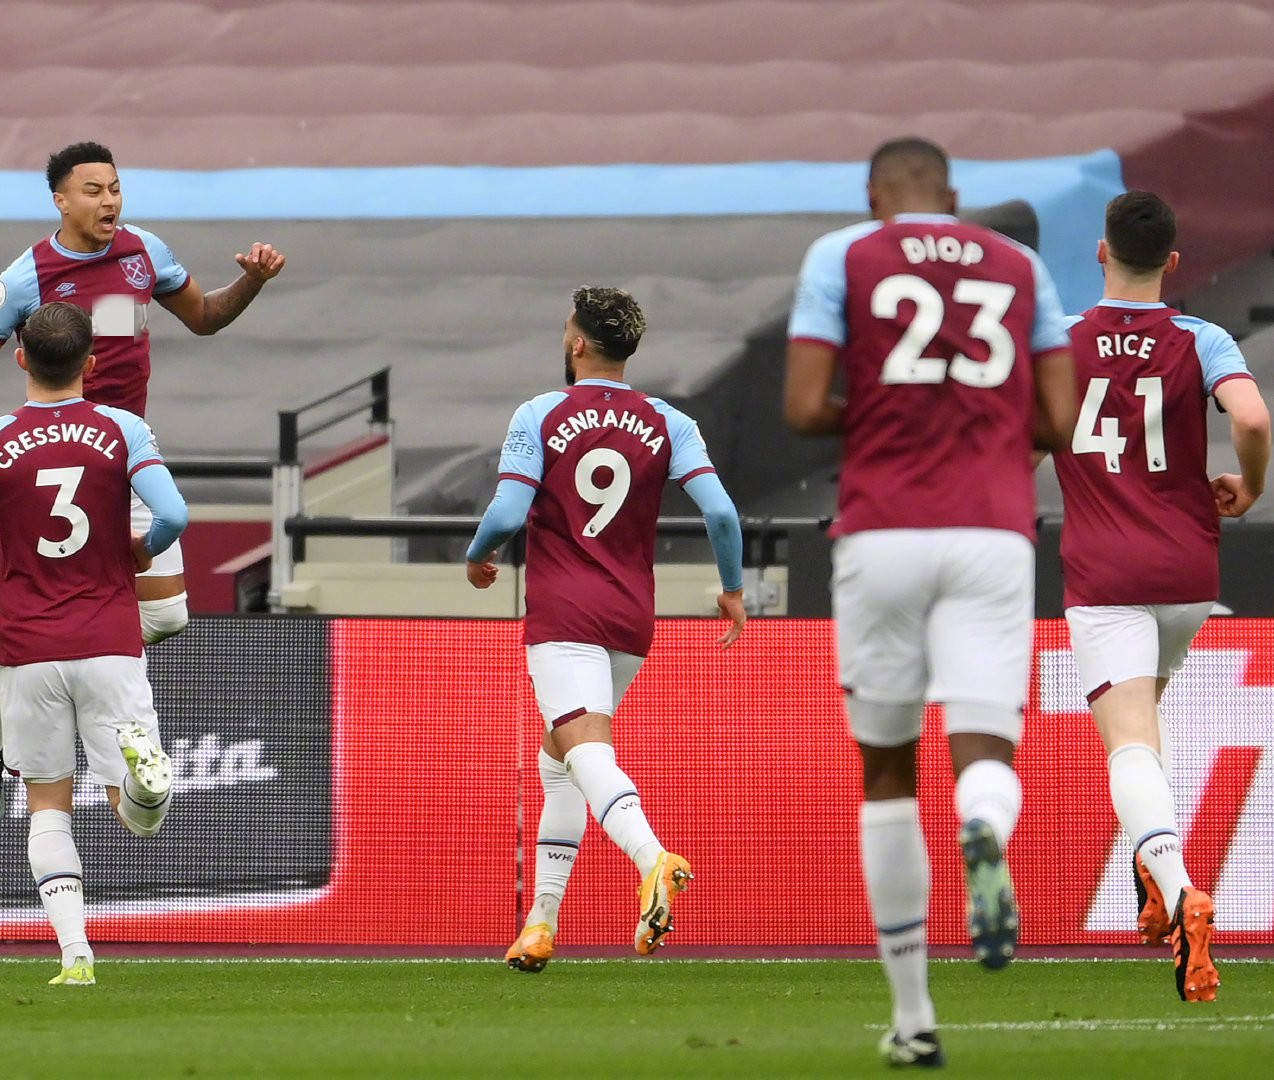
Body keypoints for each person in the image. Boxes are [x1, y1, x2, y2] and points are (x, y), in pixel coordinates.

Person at [784, 137, 1079, 1067]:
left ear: (877, 196)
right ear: (953, 197)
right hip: (992, 529)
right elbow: (1062, 423)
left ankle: (913, 1020)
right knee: (986, 742)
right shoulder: (1021, 265)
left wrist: (880, 408)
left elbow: (800, 406)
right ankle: (983, 830)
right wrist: (980, 421)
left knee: (886, 776)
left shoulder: (844, 254)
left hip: (883, 528)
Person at [0, 141, 285, 825]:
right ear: (61, 201)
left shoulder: (144, 254)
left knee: (167, 616)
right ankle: (27, 713)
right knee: (96, 625)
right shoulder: (26, 276)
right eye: (94, 190)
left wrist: (252, 280)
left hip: (126, 460)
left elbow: (205, 317)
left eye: (116, 188)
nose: (110, 202)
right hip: (54, 464)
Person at [466, 286, 747, 973]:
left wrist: (480, 556)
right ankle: (539, 923)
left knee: (584, 750)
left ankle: (654, 861)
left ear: (577, 342)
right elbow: (723, 515)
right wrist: (733, 590)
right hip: (629, 618)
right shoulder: (669, 421)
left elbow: (506, 514)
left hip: (563, 612)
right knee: (558, 759)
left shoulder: (539, 412)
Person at [0, 302, 190, 985]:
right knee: (138, 821)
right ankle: (145, 786)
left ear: (20, 359)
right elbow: (176, 514)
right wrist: (140, 547)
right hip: (110, 639)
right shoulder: (123, 428)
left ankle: (76, 954)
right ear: (92, 363)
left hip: (29, 647)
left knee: (46, 805)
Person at [1050, 191, 1269, 1003]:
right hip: (1188, 577)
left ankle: (1180, 895)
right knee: (1151, 719)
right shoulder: (1201, 337)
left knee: (1129, 744)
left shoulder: (1060, 344)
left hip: (1106, 577)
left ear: (1100, 254)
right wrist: (1249, 485)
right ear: (1173, 264)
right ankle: (1156, 874)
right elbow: (1251, 415)